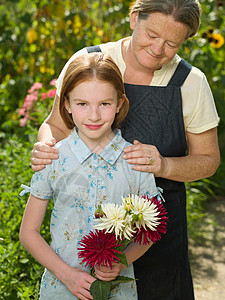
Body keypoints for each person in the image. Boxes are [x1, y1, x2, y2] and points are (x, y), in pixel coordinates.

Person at [29, 0, 220, 299]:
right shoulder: (89, 61)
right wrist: (47, 147)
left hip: (155, 229)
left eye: (172, 43)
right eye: (152, 35)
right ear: (133, 19)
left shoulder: (191, 82)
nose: (158, 49)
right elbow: (55, 125)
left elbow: (208, 161)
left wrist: (164, 166)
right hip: (84, 232)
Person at [20, 52, 164, 300]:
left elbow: (151, 230)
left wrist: (121, 262)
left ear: (119, 103)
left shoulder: (136, 161)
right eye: (82, 104)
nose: (94, 115)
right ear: (66, 104)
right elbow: (28, 232)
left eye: (105, 104)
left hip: (118, 291)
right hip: (60, 288)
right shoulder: (53, 159)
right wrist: (67, 275)